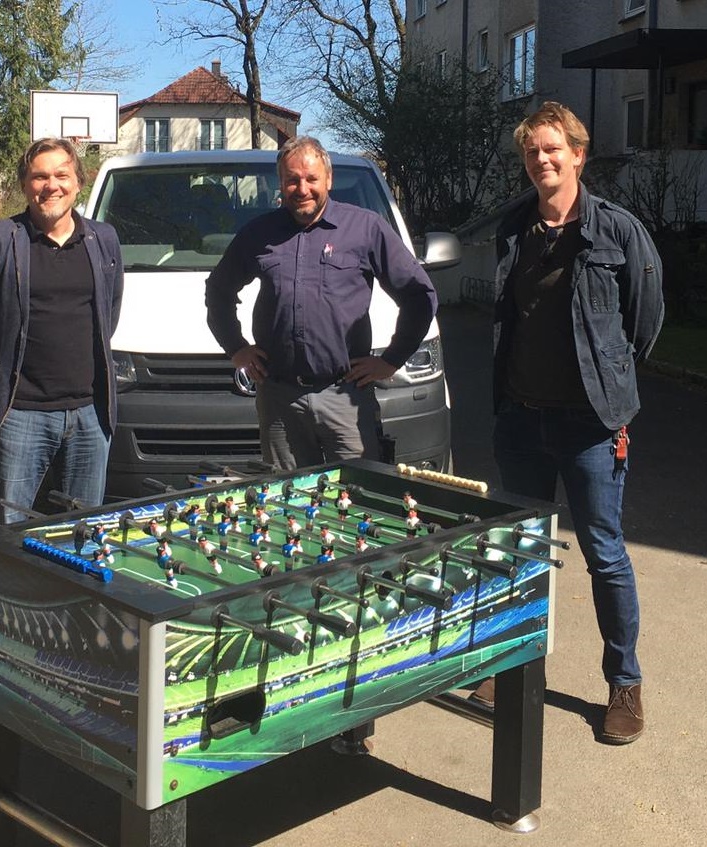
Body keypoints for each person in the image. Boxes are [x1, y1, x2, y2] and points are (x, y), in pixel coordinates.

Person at [474, 102, 664, 745]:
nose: (542, 160)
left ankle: (625, 683)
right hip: (521, 419)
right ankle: (513, 666)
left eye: (552, 148)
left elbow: (646, 320)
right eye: (531, 151)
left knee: (603, 554)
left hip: (590, 427)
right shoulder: (514, 228)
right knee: (522, 549)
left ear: (578, 154)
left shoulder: (618, 230)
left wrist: (613, 385)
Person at [205, 136, 438, 469]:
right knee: (287, 496)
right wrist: (236, 347)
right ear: (281, 183)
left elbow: (419, 295)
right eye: (292, 180)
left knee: (356, 492)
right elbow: (218, 290)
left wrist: (392, 359)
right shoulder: (258, 234)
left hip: (345, 396)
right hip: (279, 399)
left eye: (311, 179)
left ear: (328, 179)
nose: (302, 189)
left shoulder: (365, 229)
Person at [0, 137, 124, 523]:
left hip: (90, 414)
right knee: (7, 530)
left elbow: (108, 313)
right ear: (25, 185)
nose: (51, 186)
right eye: (39, 176)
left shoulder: (103, 240)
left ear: (78, 182)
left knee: (82, 529)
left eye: (61, 175)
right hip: (21, 414)